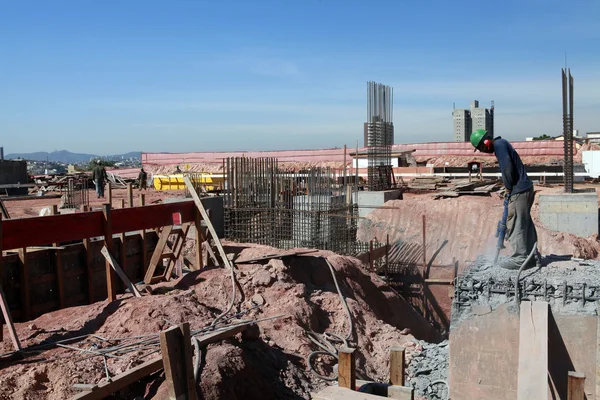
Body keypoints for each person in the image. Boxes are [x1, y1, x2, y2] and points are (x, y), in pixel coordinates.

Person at [471, 129, 541, 270]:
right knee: (524, 222)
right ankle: (532, 256)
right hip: (525, 188)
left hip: (519, 190)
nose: (482, 151)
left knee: (515, 222)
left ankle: (520, 258)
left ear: (485, 142)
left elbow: (507, 169)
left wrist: (508, 188)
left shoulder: (499, 145)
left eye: (481, 148)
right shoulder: (502, 144)